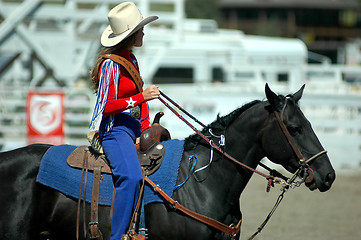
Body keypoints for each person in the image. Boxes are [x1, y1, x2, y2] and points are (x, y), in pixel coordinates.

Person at [89, 2, 159, 239]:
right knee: (130, 177)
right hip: (113, 130)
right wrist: (141, 96)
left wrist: (146, 129)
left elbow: (141, 101)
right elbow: (106, 106)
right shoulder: (110, 64)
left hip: (131, 127)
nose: (143, 32)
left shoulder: (131, 59)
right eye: (140, 29)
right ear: (131, 34)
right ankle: (118, 236)